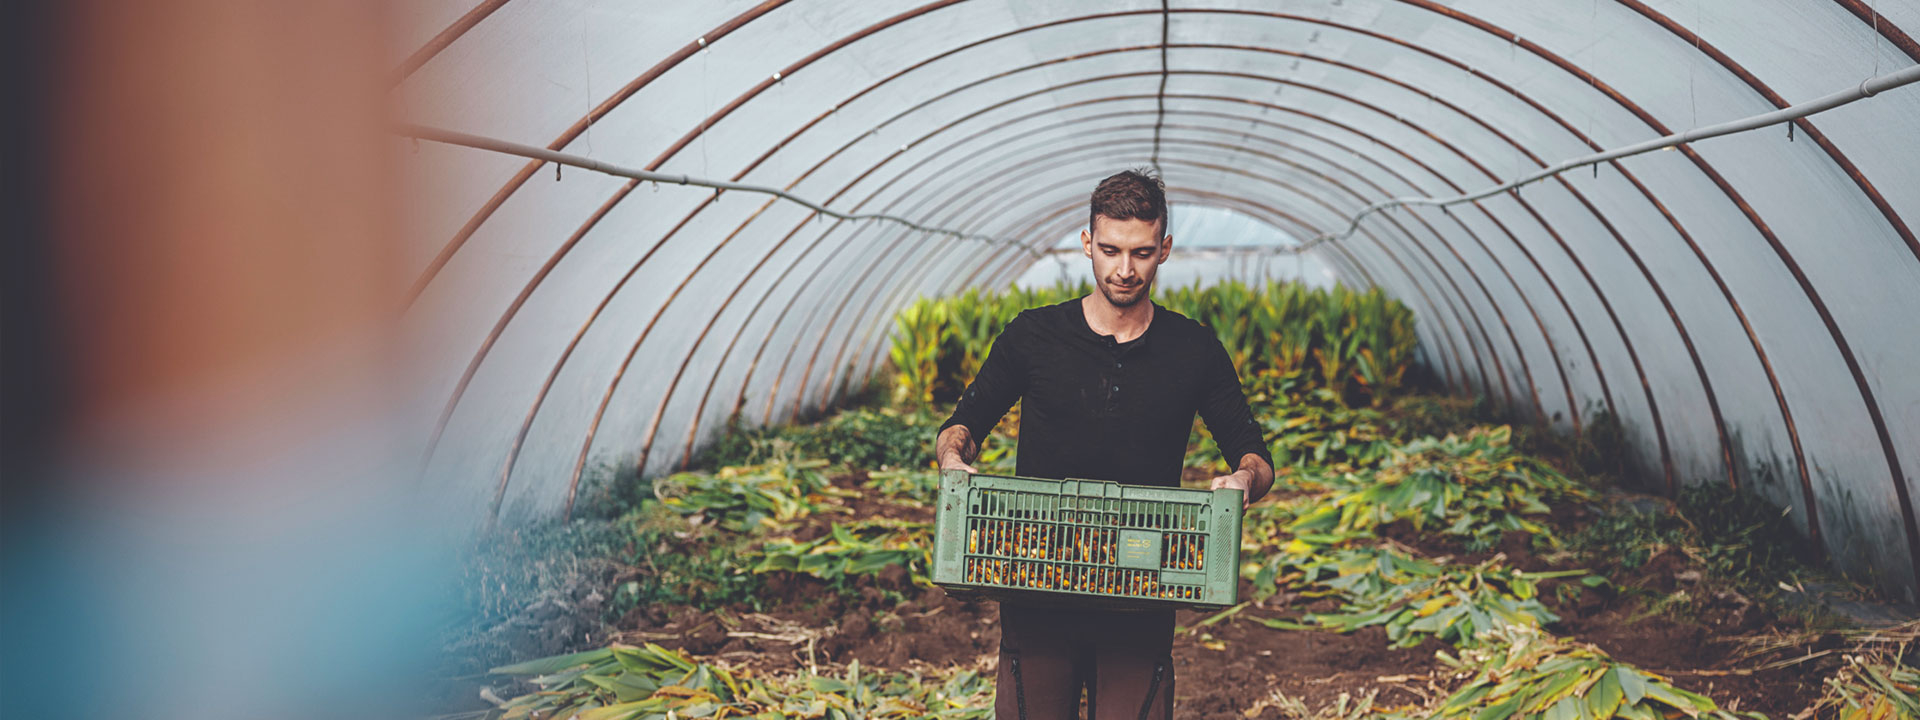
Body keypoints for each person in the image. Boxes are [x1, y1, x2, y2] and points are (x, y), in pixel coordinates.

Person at [934, 168, 1275, 719]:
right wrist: (954, 459)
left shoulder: (1193, 349)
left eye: (1141, 252)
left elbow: (1253, 452)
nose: (1124, 269)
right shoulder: (1034, 335)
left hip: (1143, 581)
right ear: (1088, 242)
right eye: (1111, 249)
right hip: (1037, 575)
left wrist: (1242, 480)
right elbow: (963, 424)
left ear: (1164, 249)